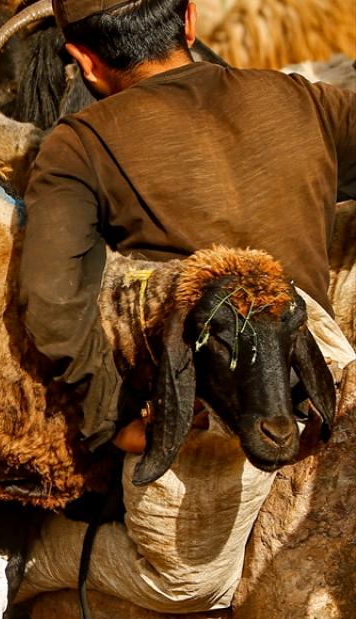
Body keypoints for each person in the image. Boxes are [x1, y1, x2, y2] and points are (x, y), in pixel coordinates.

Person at [18, 0, 356, 454]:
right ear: (190, 20)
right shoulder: (305, 100)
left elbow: (52, 300)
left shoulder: (79, 145)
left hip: (194, 415)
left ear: (84, 61)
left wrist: (111, 419)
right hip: (325, 398)